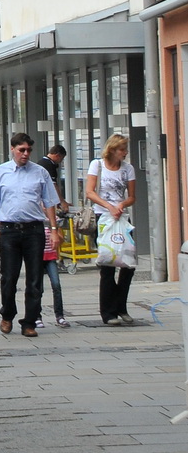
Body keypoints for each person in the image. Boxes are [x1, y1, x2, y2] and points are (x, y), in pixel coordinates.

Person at [0, 132, 59, 337]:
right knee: (9, 277)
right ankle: (7, 315)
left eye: (28, 150)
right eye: (21, 150)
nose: (25, 154)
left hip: (34, 230)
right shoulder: (0, 172)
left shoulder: (40, 172)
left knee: (35, 279)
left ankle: (30, 322)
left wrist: (53, 230)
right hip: (8, 230)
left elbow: (50, 202)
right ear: (12, 149)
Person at [86, 133, 137, 326]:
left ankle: (121, 306)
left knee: (127, 263)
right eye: (122, 149)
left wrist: (121, 205)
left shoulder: (128, 169)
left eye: (125, 149)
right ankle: (108, 312)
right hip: (104, 217)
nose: (125, 153)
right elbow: (90, 192)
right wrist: (109, 206)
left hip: (122, 217)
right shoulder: (97, 165)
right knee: (107, 263)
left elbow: (132, 196)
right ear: (113, 149)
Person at [37, 222, 70, 328]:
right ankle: (37, 316)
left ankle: (60, 316)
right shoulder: (34, 217)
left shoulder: (53, 220)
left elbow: (61, 240)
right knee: (38, 288)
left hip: (51, 258)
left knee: (56, 285)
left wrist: (54, 232)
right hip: (36, 259)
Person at [40, 142, 69, 214]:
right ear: (57, 155)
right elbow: (53, 185)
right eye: (61, 159)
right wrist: (62, 201)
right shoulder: (49, 165)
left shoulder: (41, 162)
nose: (60, 162)